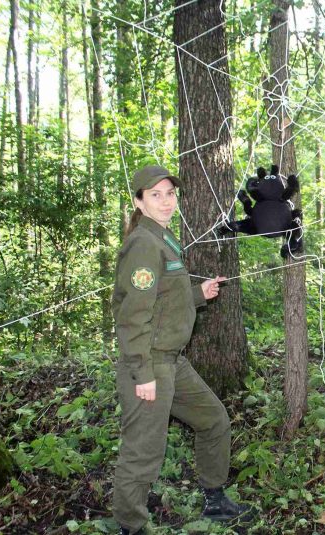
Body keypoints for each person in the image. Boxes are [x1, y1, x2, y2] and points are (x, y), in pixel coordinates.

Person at [112, 165, 248, 535]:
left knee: (213, 420)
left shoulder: (163, 238)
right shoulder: (143, 244)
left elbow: (163, 302)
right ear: (138, 201)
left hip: (172, 361)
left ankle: (215, 500)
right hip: (151, 365)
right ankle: (130, 526)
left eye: (170, 193)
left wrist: (197, 294)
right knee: (143, 453)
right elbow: (132, 317)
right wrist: (143, 375)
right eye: (155, 195)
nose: (166, 201)